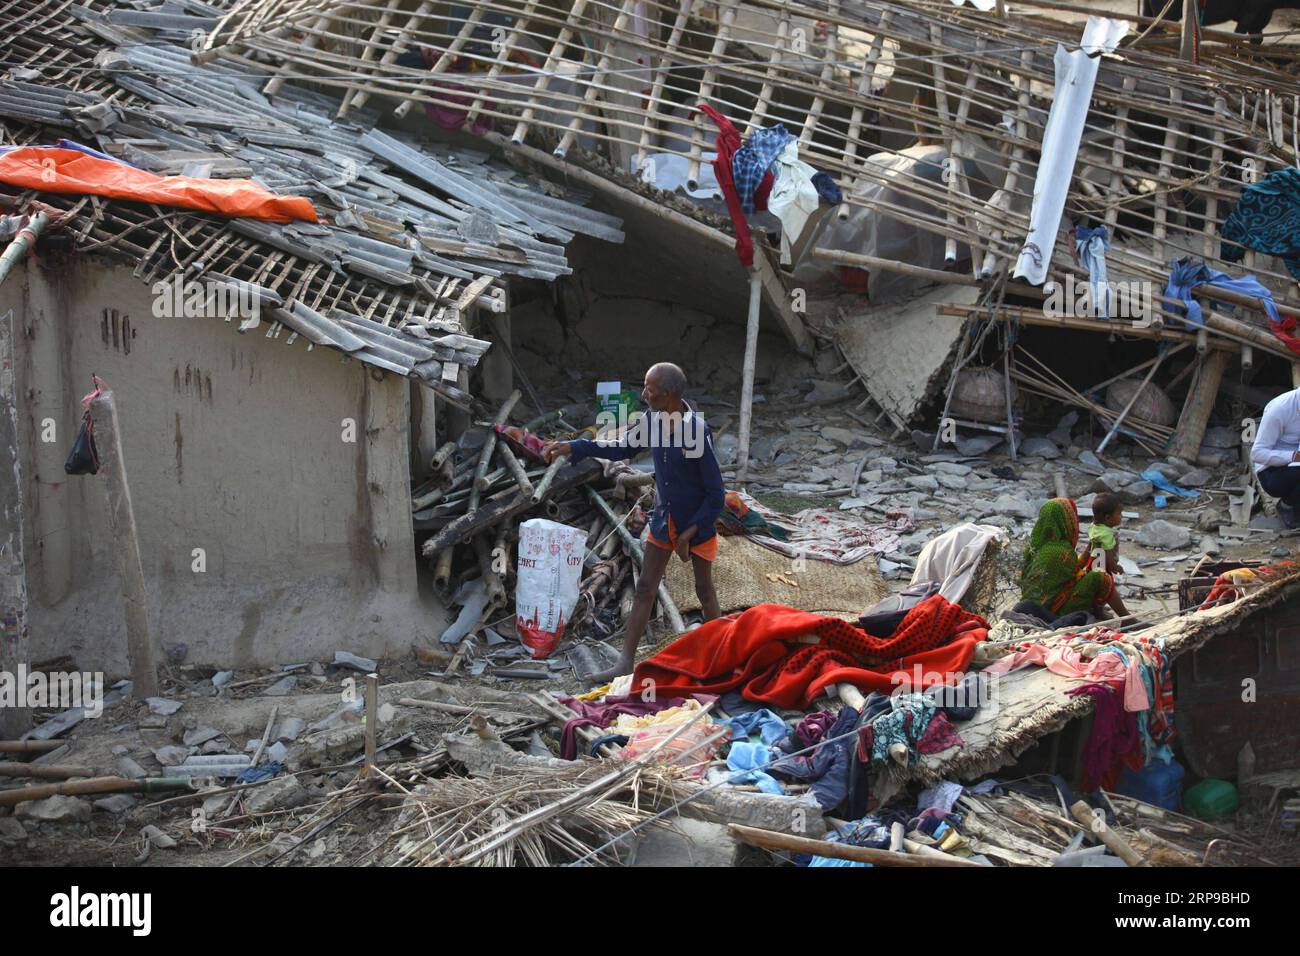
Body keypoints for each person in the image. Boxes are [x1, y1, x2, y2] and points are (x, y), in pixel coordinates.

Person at [542, 362, 725, 682]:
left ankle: (720, 656)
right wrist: (575, 446)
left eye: (649, 390)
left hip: (697, 522)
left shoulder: (696, 431)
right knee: (644, 588)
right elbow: (621, 447)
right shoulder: (652, 421)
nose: (643, 395)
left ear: (668, 396)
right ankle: (626, 662)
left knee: (704, 590)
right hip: (665, 518)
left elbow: (715, 493)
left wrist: (692, 532)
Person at [1019, 497, 1129, 619]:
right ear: (1065, 520)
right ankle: (1127, 618)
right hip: (1051, 613)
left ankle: (1099, 611)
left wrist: (1090, 546)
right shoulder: (1061, 551)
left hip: (1032, 609)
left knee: (1091, 572)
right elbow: (1074, 574)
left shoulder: (1039, 545)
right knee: (1100, 577)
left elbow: (1075, 566)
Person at [1250, 386, 1300, 528]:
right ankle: (1288, 506)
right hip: (1272, 471)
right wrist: (1294, 456)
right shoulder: (1280, 408)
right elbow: (1257, 453)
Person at [1083, 491, 1123, 576]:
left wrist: (1082, 563)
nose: (1121, 516)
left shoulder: (1094, 527)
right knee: (1107, 586)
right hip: (1102, 568)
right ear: (1108, 518)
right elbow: (1108, 554)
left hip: (1092, 564)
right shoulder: (1106, 535)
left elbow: (1089, 547)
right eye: (1119, 513)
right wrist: (1115, 567)